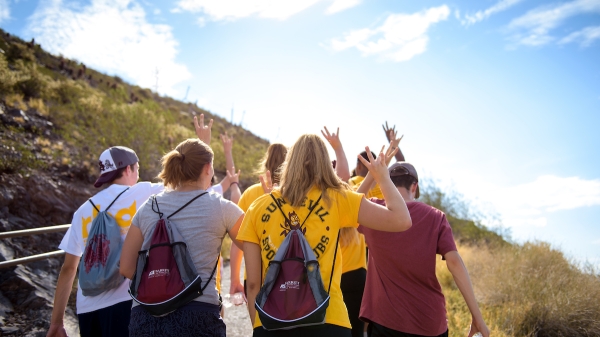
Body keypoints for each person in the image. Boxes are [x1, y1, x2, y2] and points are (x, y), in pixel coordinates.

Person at [46, 114, 214, 337]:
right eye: (137, 168)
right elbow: (190, 186)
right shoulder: (144, 192)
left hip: (87, 309)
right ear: (128, 170)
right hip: (126, 302)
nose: (138, 173)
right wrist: (203, 143)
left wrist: (56, 323)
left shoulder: (83, 210)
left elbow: (68, 268)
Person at [237, 133, 412, 337]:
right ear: (324, 163)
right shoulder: (337, 198)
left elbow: (252, 284)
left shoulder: (258, 207)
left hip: (272, 321)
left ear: (290, 162)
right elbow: (402, 220)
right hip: (328, 319)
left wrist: (259, 325)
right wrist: (382, 176)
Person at [120, 137, 244, 337]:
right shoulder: (222, 208)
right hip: (198, 317)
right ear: (207, 168)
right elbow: (255, 247)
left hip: (146, 317)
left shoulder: (148, 207)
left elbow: (126, 267)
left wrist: (164, 282)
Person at [358, 162, 490, 337]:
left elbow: (350, 203)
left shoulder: (374, 211)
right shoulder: (435, 216)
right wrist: (477, 317)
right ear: (414, 186)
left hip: (386, 321)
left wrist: (373, 176)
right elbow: (454, 262)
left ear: (385, 184)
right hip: (429, 322)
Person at [229, 142, 288, 300]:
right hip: (288, 273)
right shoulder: (293, 194)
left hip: (255, 275)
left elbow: (238, 240)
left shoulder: (250, 194)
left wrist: (234, 278)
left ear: (266, 162)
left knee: (259, 323)